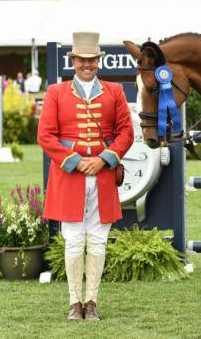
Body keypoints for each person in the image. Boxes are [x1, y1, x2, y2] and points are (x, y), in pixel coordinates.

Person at [37, 31, 134, 321]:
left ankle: (92, 301)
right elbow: (45, 135)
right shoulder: (56, 92)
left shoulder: (114, 91)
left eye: (92, 60)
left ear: (98, 61)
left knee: (99, 240)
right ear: (73, 61)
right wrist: (75, 161)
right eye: (82, 60)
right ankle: (73, 303)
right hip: (70, 177)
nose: (87, 65)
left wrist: (104, 159)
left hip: (102, 177)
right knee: (74, 240)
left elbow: (126, 132)